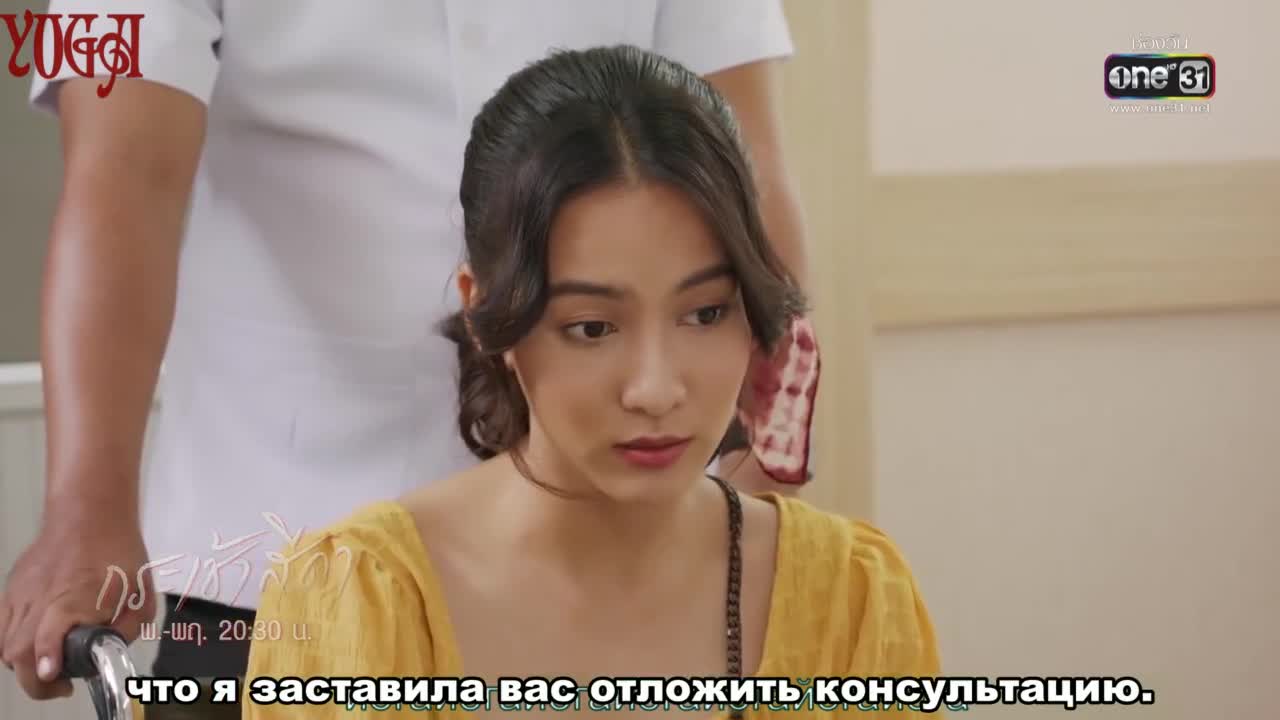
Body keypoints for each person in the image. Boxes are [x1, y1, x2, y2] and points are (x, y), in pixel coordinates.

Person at [0, 0, 819, 703]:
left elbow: (744, 163)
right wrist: (83, 508)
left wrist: (761, 475)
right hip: (265, 567)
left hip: (615, 561)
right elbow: (120, 172)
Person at [242, 45, 939, 720]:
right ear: (485, 316)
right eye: (593, 327)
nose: (655, 389)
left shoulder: (850, 600)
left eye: (705, 313)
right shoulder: (357, 602)